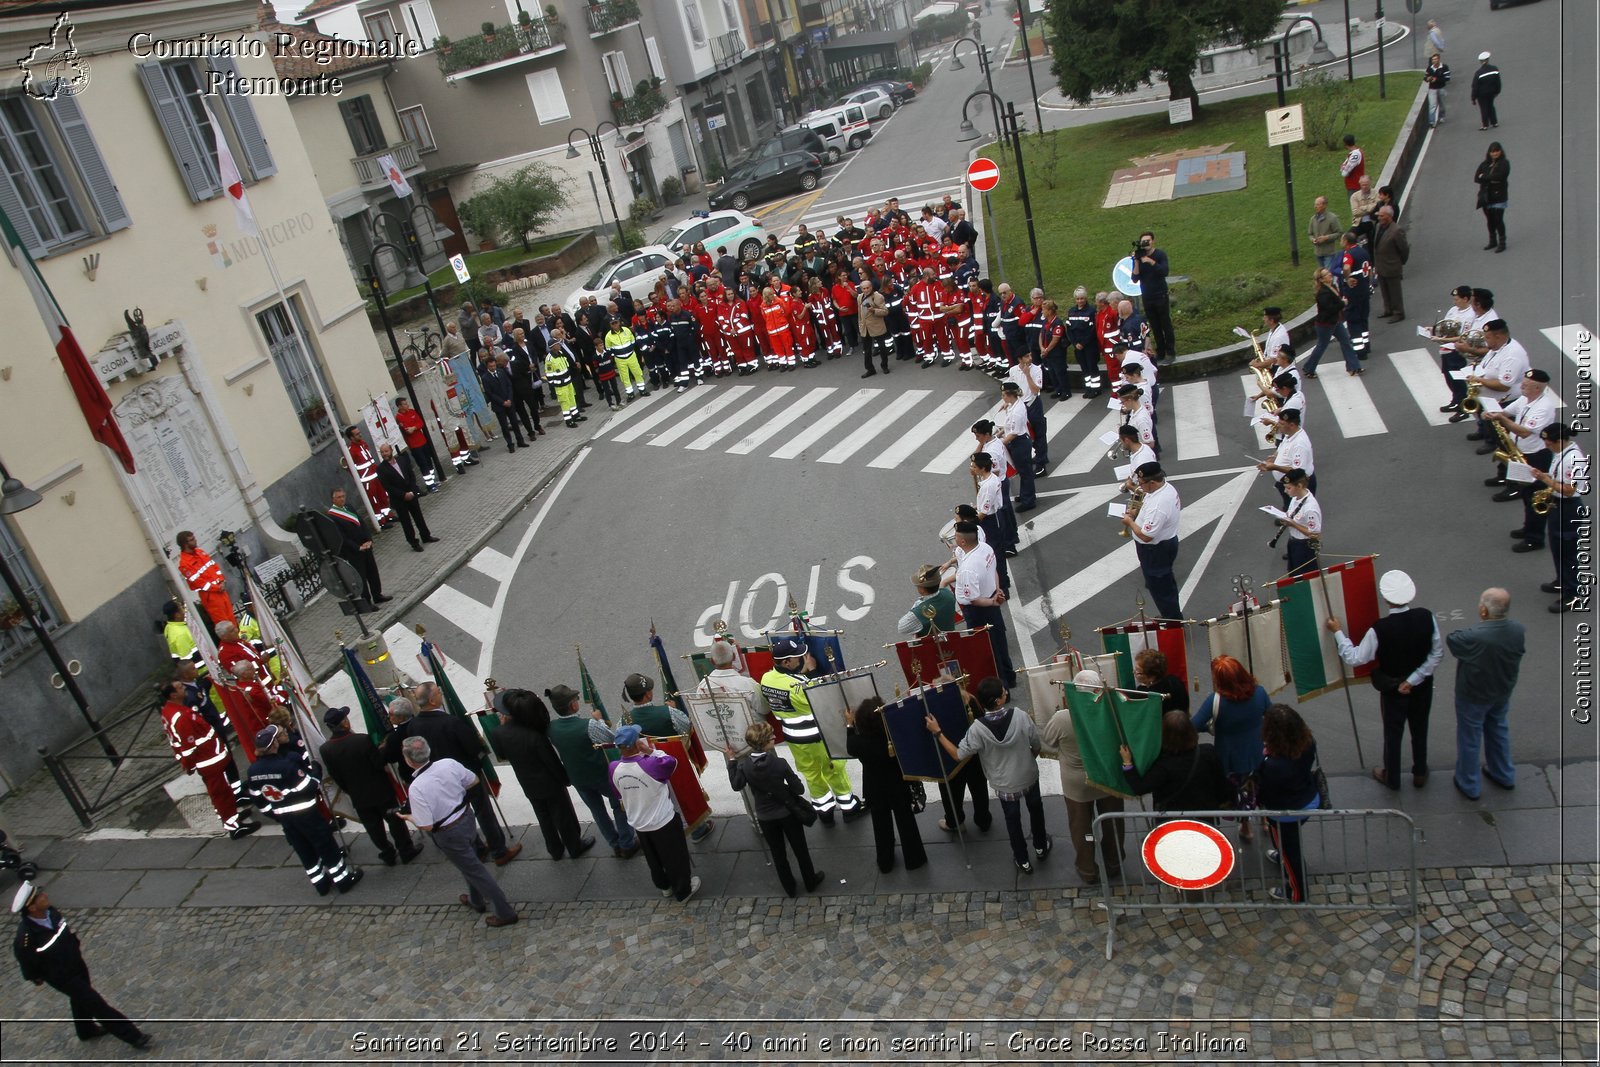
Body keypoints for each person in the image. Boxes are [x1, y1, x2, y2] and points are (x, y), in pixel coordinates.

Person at [1327, 569, 1443, 790]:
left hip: (1392, 689)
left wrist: (1338, 632)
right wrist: (1415, 679)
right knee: (1420, 729)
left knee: (1393, 735)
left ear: (1386, 599)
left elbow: (1355, 658)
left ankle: (1392, 776)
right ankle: (1419, 772)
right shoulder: (1426, 616)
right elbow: (1436, 654)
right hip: (1422, 686)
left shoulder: (1380, 628)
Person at [928, 677, 1051, 875]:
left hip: (1004, 783)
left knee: (1013, 821)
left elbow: (957, 754)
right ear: (998, 701)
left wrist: (938, 733)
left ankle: (1022, 859)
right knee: (1036, 811)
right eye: (1004, 692)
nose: (1006, 693)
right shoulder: (1019, 715)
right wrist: (1028, 760)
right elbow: (1035, 744)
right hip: (1028, 774)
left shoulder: (977, 729)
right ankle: (1040, 846)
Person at [12, 882, 152, 1050]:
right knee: (96, 1003)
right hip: (61, 976)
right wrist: (35, 977)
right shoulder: (26, 937)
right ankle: (133, 1036)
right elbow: (26, 961)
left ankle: (86, 1030)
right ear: (32, 908)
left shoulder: (51, 912)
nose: (45, 896)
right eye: (40, 897)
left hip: (76, 963)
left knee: (81, 999)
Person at [399, 736, 518, 926]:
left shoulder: (416, 788)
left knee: (475, 869)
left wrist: (408, 817)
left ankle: (504, 912)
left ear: (409, 761)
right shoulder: (448, 764)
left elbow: (426, 825)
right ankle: (476, 900)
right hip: (465, 817)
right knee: (468, 863)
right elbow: (473, 780)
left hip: (447, 832)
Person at [406, 682, 519, 866]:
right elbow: (473, 747)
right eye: (438, 692)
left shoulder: (414, 725)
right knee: (483, 811)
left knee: (458, 814)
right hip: (464, 775)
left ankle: (478, 848)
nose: (441, 694)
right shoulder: (451, 722)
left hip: (437, 781)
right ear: (433, 700)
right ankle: (499, 851)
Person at [759, 635, 865, 824]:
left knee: (812, 775)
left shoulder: (766, 678)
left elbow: (787, 688)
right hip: (818, 738)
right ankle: (849, 808)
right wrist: (813, 671)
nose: (800, 659)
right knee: (834, 770)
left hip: (794, 740)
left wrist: (803, 674)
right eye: (796, 658)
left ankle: (825, 812)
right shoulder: (800, 685)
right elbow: (822, 697)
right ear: (786, 661)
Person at [247, 724, 363, 896]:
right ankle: (343, 880)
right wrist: (316, 770)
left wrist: (276, 815)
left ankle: (321, 884)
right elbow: (309, 787)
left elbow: (259, 800)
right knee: (326, 846)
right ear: (273, 745)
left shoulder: (253, 771)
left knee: (305, 851)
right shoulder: (285, 766)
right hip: (307, 816)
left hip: (285, 819)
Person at [1041, 670, 1126, 885]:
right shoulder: (1112, 711)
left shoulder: (1062, 718)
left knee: (1082, 828)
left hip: (1077, 783)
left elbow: (1048, 742)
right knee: (1112, 823)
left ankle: (1088, 869)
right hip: (1108, 777)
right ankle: (1114, 863)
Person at [489, 688, 594, 860]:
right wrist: (565, 779)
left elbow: (502, 755)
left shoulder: (498, 732)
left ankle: (555, 849)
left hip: (527, 782)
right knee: (564, 816)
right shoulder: (535, 735)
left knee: (544, 817)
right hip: (550, 783)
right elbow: (551, 762)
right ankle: (574, 846)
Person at [726, 722, 826, 896]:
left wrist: (732, 761)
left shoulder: (745, 767)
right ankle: (810, 881)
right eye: (770, 736)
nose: (774, 737)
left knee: (778, 854)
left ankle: (790, 888)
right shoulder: (779, 763)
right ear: (764, 742)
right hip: (787, 814)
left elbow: (736, 784)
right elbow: (798, 789)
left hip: (765, 816)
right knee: (800, 849)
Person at [1447, 588, 1526, 799]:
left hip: (1473, 695)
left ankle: (1469, 783)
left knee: (1470, 737)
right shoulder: (1517, 630)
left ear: (1483, 611)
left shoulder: (1474, 637)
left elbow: (1453, 639)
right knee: (1498, 729)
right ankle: (1503, 774)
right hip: (1502, 691)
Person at [545, 684, 640, 858]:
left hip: (577, 777)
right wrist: (599, 720)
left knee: (597, 811)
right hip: (601, 774)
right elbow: (612, 739)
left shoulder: (552, 728)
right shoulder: (589, 725)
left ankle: (614, 844)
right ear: (573, 705)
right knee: (619, 806)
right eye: (576, 699)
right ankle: (627, 843)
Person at [157, 680, 258, 840]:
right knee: (221, 795)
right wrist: (189, 766)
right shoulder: (181, 716)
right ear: (173, 695)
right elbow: (188, 748)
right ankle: (234, 826)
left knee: (224, 791)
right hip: (209, 761)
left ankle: (234, 816)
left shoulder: (172, 711)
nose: (184, 688)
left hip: (212, 758)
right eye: (180, 687)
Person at [610, 725, 701, 902]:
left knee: (653, 858)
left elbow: (617, 793)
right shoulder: (650, 764)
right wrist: (651, 751)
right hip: (662, 820)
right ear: (636, 743)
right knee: (675, 856)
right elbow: (671, 762)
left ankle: (664, 886)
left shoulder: (614, 767)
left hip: (639, 822)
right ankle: (683, 890)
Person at [319, 706, 419, 867]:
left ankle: (387, 853)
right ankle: (406, 850)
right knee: (395, 821)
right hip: (380, 790)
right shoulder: (361, 740)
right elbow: (379, 763)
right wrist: (381, 750)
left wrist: (350, 789)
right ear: (344, 723)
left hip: (358, 795)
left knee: (374, 828)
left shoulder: (325, 749)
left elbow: (335, 775)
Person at [1191, 655, 1270, 839]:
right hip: (1256, 751)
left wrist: (1210, 726)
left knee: (1240, 792)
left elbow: (1194, 725)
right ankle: (1265, 820)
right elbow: (1271, 714)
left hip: (1230, 758)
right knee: (1259, 785)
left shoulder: (1215, 700)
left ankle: (1246, 827)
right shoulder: (1260, 693)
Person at [845, 698, 926, 874]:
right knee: (906, 821)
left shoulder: (859, 743)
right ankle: (915, 858)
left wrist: (850, 724)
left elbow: (850, 745)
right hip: (897, 784)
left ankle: (885, 861)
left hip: (875, 788)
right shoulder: (893, 737)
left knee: (881, 826)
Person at [1253, 704, 1321, 902]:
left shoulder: (1273, 766)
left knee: (1291, 854)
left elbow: (1265, 793)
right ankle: (1282, 854)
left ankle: (1296, 892)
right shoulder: (1308, 742)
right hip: (1307, 798)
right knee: (1287, 843)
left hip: (1284, 812)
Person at [1119, 711, 1231, 818]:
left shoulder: (1163, 765)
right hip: (1205, 819)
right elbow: (1220, 784)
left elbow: (1139, 788)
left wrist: (1127, 763)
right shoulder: (1208, 752)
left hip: (1171, 823)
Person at [946, 523, 1017, 688]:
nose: (954, 540)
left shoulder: (967, 569)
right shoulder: (985, 548)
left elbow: (973, 599)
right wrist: (997, 592)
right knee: (1000, 643)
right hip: (992, 599)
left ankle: (1001, 689)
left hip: (979, 611)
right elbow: (994, 571)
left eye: (956, 537)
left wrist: (992, 601)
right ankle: (1010, 677)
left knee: (987, 651)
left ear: (963, 542)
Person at [1531, 423, 1591, 613]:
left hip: (1569, 508)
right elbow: (1558, 477)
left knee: (1568, 553)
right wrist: (1545, 475)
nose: (1547, 445)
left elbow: (1568, 489)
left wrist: (1545, 480)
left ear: (1560, 440)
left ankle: (1574, 594)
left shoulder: (1573, 459)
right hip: (1558, 506)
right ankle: (1562, 581)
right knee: (1557, 547)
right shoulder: (1561, 452)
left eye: (1549, 442)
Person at [1492, 369, 1558, 536]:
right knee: (1526, 495)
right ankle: (1528, 528)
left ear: (1537, 388)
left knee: (1535, 497)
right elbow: (1506, 412)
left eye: (1526, 385)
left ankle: (1534, 537)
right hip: (1520, 452)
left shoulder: (1544, 407)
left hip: (1536, 456)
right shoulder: (1525, 398)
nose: (1521, 386)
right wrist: (1494, 413)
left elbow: (1525, 432)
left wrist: (1502, 420)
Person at [1123, 464, 1183, 623]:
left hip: (1155, 550)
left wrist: (1129, 522)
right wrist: (1136, 513)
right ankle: (1170, 616)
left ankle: (1173, 623)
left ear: (1152, 482)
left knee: (1161, 589)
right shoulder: (1163, 488)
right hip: (1163, 545)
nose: (1140, 486)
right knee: (1163, 584)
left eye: (1142, 483)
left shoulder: (1159, 504)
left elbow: (1146, 536)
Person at [327, 488, 389, 604]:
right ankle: (366, 601)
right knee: (361, 576)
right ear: (333, 499)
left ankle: (377, 595)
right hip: (354, 551)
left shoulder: (349, 507)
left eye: (343, 496)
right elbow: (341, 537)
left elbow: (362, 523)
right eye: (339, 497)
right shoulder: (332, 516)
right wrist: (357, 547)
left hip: (366, 545)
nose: (342, 499)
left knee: (373, 572)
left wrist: (369, 540)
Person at [375, 443, 438, 553]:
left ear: (391, 450)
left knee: (419, 517)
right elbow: (388, 487)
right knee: (406, 522)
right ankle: (414, 543)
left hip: (411, 494)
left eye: (386, 451)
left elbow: (411, 475)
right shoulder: (381, 469)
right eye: (382, 452)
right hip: (399, 499)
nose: (384, 454)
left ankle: (426, 536)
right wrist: (403, 495)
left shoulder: (402, 460)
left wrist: (412, 491)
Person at [1301, 267, 1360, 378]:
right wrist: (1343, 303)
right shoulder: (1323, 293)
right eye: (1327, 274)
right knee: (1322, 346)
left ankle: (1354, 367)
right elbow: (1329, 309)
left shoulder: (1332, 286)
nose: (1330, 275)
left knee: (1346, 341)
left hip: (1335, 321)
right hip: (1325, 324)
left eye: (1329, 273)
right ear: (1322, 279)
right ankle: (1309, 368)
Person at [175, 530, 234, 633]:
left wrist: (221, 581)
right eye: (192, 540)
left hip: (220, 590)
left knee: (232, 620)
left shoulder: (200, 552)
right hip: (210, 596)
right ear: (185, 544)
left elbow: (214, 567)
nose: (195, 540)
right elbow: (198, 582)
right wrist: (217, 587)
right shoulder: (184, 564)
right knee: (224, 625)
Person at [1130, 231, 1174, 362]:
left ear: (1153, 241)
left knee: (1165, 324)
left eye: (1148, 241)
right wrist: (1137, 262)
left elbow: (1164, 271)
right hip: (1147, 297)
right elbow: (1134, 278)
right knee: (1155, 326)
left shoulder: (1160, 254)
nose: (1146, 244)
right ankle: (1160, 351)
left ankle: (1170, 351)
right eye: (1143, 241)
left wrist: (1149, 261)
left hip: (1160, 295)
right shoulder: (1139, 257)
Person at [1275, 468, 1323, 576]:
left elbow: (1315, 534)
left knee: (1304, 577)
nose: (1285, 491)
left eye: (1288, 488)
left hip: (1305, 546)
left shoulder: (1310, 508)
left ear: (1300, 486)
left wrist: (1293, 524)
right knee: (1293, 574)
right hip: (1294, 542)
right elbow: (1292, 514)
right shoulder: (1296, 497)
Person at [479, 354, 527, 453]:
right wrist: (502, 402)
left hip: (509, 402)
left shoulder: (501, 372)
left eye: (494, 365)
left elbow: (509, 385)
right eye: (491, 366)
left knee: (515, 423)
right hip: (499, 406)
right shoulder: (485, 378)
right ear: (487, 366)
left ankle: (520, 440)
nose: (493, 368)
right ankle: (510, 444)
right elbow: (490, 393)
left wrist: (509, 399)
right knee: (504, 426)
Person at [896, 563, 957, 637]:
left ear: (922, 589)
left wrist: (918, 604)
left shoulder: (921, 611)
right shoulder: (948, 594)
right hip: (950, 638)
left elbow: (901, 627)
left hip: (930, 644)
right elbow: (942, 588)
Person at [1371, 205, 1408, 321]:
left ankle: (1399, 313)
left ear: (1389, 217)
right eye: (1379, 216)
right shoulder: (1378, 226)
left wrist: (1399, 262)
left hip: (1392, 266)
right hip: (1381, 265)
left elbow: (1404, 249)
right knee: (1384, 290)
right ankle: (1388, 309)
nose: (1379, 218)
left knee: (1395, 292)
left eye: (1382, 216)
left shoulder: (1397, 230)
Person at [391, 397, 438, 489]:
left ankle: (433, 481)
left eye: (406, 403)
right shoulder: (399, 417)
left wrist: (414, 428)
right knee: (423, 464)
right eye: (404, 404)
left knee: (429, 462)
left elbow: (421, 423)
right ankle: (430, 485)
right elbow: (408, 431)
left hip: (423, 441)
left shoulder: (412, 411)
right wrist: (414, 427)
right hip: (415, 446)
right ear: (399, 406)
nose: (407, 405)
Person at [1474, 142, 1510, 253]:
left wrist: (1484, 177)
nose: (1494, 153)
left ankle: (1502, 242)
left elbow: (1500, 176)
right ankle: (1493, 241)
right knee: (1490, 220)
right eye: (1492, 151)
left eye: (1496, 151)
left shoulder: (1504, 163)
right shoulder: (1484, 164)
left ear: (1500, 151)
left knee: (1498, 219)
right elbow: (1476, 178)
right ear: (1489, 153)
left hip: (1499, 196)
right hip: (1486, 197)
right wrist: (1490, 178)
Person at [1133, 648, 1188, 714]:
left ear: (1151, 677)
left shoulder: (1143, 694)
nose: (1134, 672)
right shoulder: (1174, 681)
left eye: (1138, 671)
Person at [1307, 196, 1342, 270]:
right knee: (1322, 276)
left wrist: (1326, 238)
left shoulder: (1332, 218)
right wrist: (1313, 239)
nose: (1315, 206)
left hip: (1329, 253)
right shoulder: (1313, 219)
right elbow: (1310, 234)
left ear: (1324, 205)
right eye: (1315, 204)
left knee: (1327, 274)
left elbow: (1339, 233)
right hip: (1318, 253)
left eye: (1318, 204)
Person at [1470, 51, 1501, 129]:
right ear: (1488, 59)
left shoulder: (1478, 73)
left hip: (1482, 94)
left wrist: (1473, 98)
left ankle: (1485, 125)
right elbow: (1498, 82)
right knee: (1491, 106)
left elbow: (1475, 86)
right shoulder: (1495, 69)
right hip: (1492, 92)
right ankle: (1494, 122)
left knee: (1483, 108)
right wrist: (1497, 91)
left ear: (1480, 61)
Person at [1424, 52, 1451, 127]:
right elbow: (1425, 77)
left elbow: (1447, 78)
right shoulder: (1430, 68)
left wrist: (1436, 79)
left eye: (1435, 59)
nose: (1434, 61)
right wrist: (1428, 79)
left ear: (1439, 59)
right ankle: (1431, 121)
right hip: (1432, 89)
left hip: (1441, 88)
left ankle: (1442, 116)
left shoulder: (1444, 67)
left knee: (1441, 103)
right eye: (1433, 60)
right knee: (1432, 105)